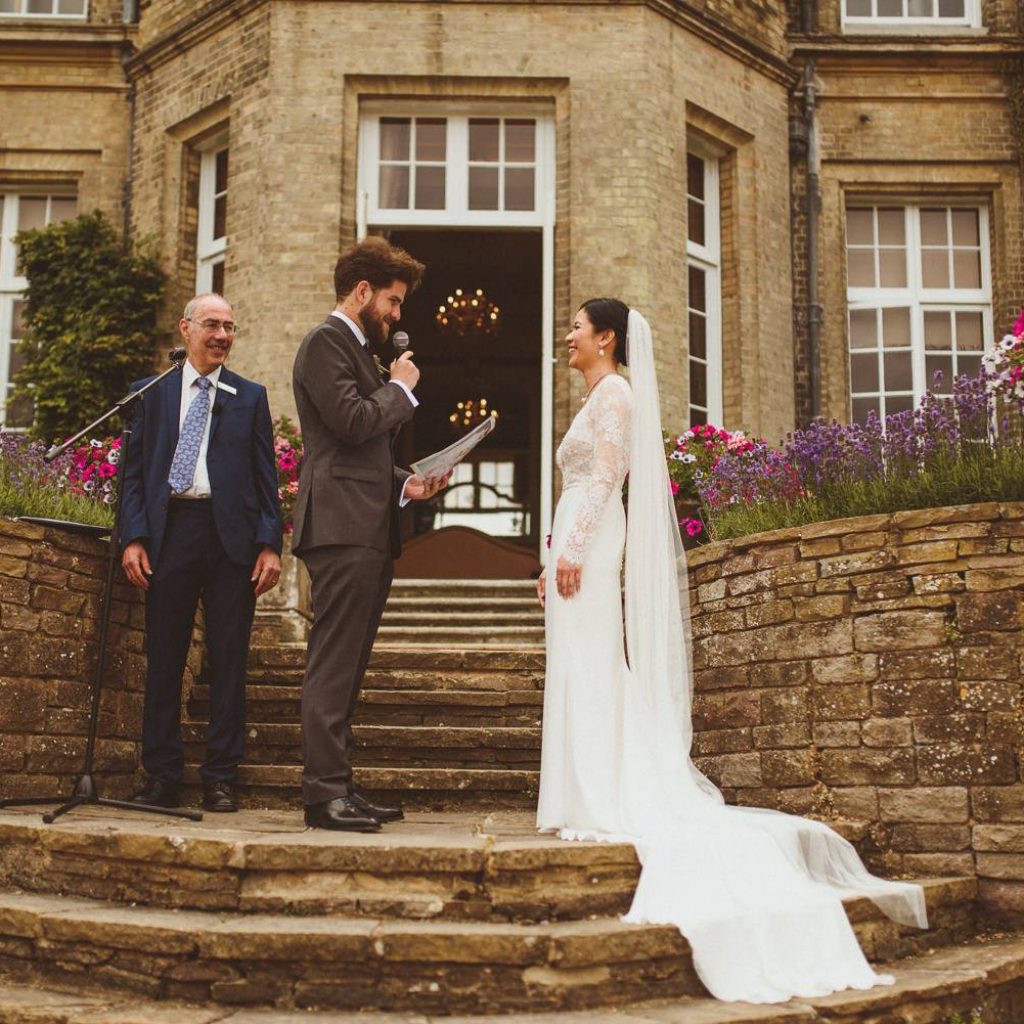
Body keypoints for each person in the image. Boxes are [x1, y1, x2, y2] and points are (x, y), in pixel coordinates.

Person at [536, 298, 928, 1003]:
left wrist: (573, 546)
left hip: (591, 538)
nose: (566, 336)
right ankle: (582, 786)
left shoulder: (617, 392)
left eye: (577, 327)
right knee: (579, 663)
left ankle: (603, 790)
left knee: (595, 663)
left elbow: (606, 477)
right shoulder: (596, 393)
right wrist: (552, 552)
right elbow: (576, 480)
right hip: (574, 536)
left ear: (606, 338)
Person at [292, 237, 449, 833]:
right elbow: (353, 423)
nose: (397, 314)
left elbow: (358, 452)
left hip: (366, 522)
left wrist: (407, 485)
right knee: (333, 663)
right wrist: (402, 389)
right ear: (361, 292)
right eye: (392, 300)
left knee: (350, 664)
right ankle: (322, 795)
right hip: (339, 528)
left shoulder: (356, 349)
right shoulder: (324, 343)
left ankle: (341, 787)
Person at [120, 293, 283, 813]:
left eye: (230, 328)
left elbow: (266, 479)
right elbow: (133, 476)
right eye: (212, 325)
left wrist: (269, 544)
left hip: (231, 539)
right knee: (163, 659)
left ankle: (220, 776)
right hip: (171, 533)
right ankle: (162, 774)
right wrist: (133, 536)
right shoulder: (151, 392)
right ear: (185, 329)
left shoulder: (249, 396)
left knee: (229, 660)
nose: (222, 336)